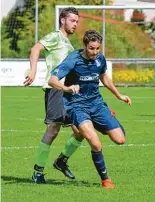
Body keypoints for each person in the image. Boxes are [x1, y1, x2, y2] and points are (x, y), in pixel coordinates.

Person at [48, 30, 131, 189]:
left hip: (97, 104)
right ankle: (106, 180)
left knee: (120, 140)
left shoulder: (100, 59)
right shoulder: (73, 59)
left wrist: (119, 95)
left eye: (97, 48)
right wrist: (67, 88)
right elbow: (52, 80)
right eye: (91, 48)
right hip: (76, 106)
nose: (95, 52)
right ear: (85, 45)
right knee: (96, 143)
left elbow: (104, 77)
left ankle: (104, 119)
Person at [24, 7, 82, 184]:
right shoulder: (55, 36)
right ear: (63, 20)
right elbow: (35, 49)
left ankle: (61, 161)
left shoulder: (70, 45)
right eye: (73, 20)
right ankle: (38, 171)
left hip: (69, 91)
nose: (76, 24)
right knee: (53, 130)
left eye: (77, 22)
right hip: (55, 89)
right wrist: (33, 71)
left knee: (81, 131)